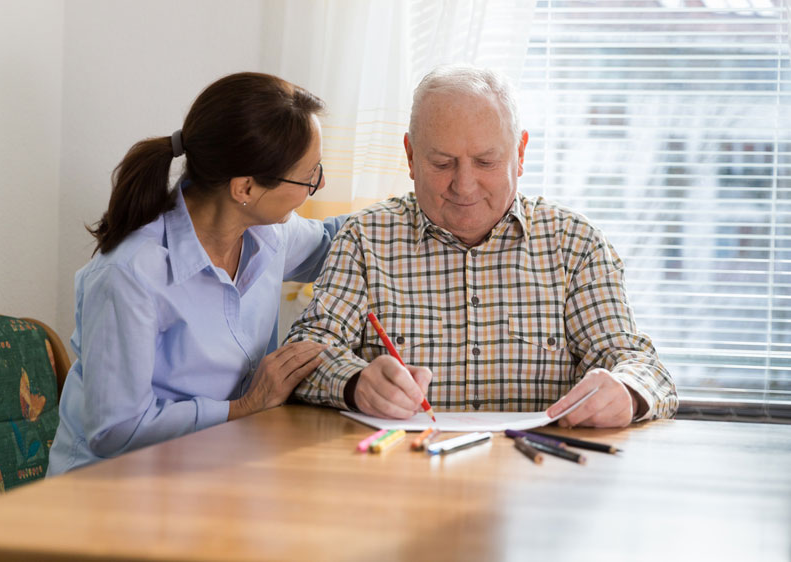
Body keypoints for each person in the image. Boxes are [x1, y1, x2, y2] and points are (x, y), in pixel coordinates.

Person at [286, 65, 677, 428]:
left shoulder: (575, 245)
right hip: (399, 473)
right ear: (410, 155)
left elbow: (641, 365)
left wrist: (626, 392)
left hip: (536, 474)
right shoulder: (364, 238)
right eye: (442, 163)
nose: (465, 185)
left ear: (520, 154)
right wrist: (354, 383)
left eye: (486, 162)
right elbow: (302, 355)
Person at [48, 72, 346, 475]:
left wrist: (424, 202)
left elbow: (341, 244)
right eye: (310, 176)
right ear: (244, 189)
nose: (321, 183)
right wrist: (243, 408)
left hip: (208, 474)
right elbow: (115, 428)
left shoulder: (269, 232)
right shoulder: (131, 273)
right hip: (112, 490)